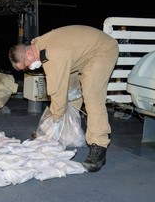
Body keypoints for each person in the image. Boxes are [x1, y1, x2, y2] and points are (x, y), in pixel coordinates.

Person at [8, 25, 119, 172]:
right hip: (83, 54)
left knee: (92, 94)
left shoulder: (53, 54)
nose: (29, 69)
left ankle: (99, 145)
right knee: (71, 89)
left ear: (28, 55)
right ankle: (68, 130)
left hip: (102, 50)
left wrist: (55, 118)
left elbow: (56, 91)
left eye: (26, 66)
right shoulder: (38, 45)